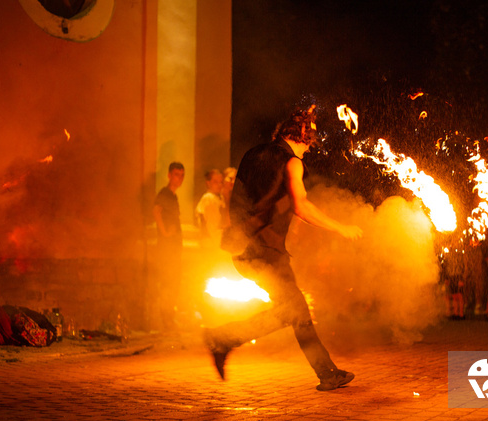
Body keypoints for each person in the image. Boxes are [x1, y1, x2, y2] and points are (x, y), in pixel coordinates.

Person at [203, 105, 363, 391]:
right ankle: (223, 339)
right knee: (295, 310)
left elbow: (239, 199)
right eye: (310, 142)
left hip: (242, 248)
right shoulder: (292, 163)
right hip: (266, 251)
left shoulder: (252, 154)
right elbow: (302, 206)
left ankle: (327, 373)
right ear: (302, 137)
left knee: (294, 310)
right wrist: (341, 228)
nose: (310, 150)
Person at [153, 162, 185, 329]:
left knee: (173, 283)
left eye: (181, 175)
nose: (179, 179)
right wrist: (165, 232)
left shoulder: (173, 196)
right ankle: (165, 320)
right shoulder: (164, 193)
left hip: (174, 248)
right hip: (167, 249)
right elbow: (156, 210)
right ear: (169, 175)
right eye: (176, 174)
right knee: (168, 283)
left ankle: (169, 319)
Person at [195, 169, 225, 244]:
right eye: (215, 182)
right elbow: (202, 218)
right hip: (209, 240)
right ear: (208, 183)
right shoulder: (207, 197)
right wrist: (206, 237)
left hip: (218, 239)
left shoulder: (221, 198)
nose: (219, 185)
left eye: (221, 182)